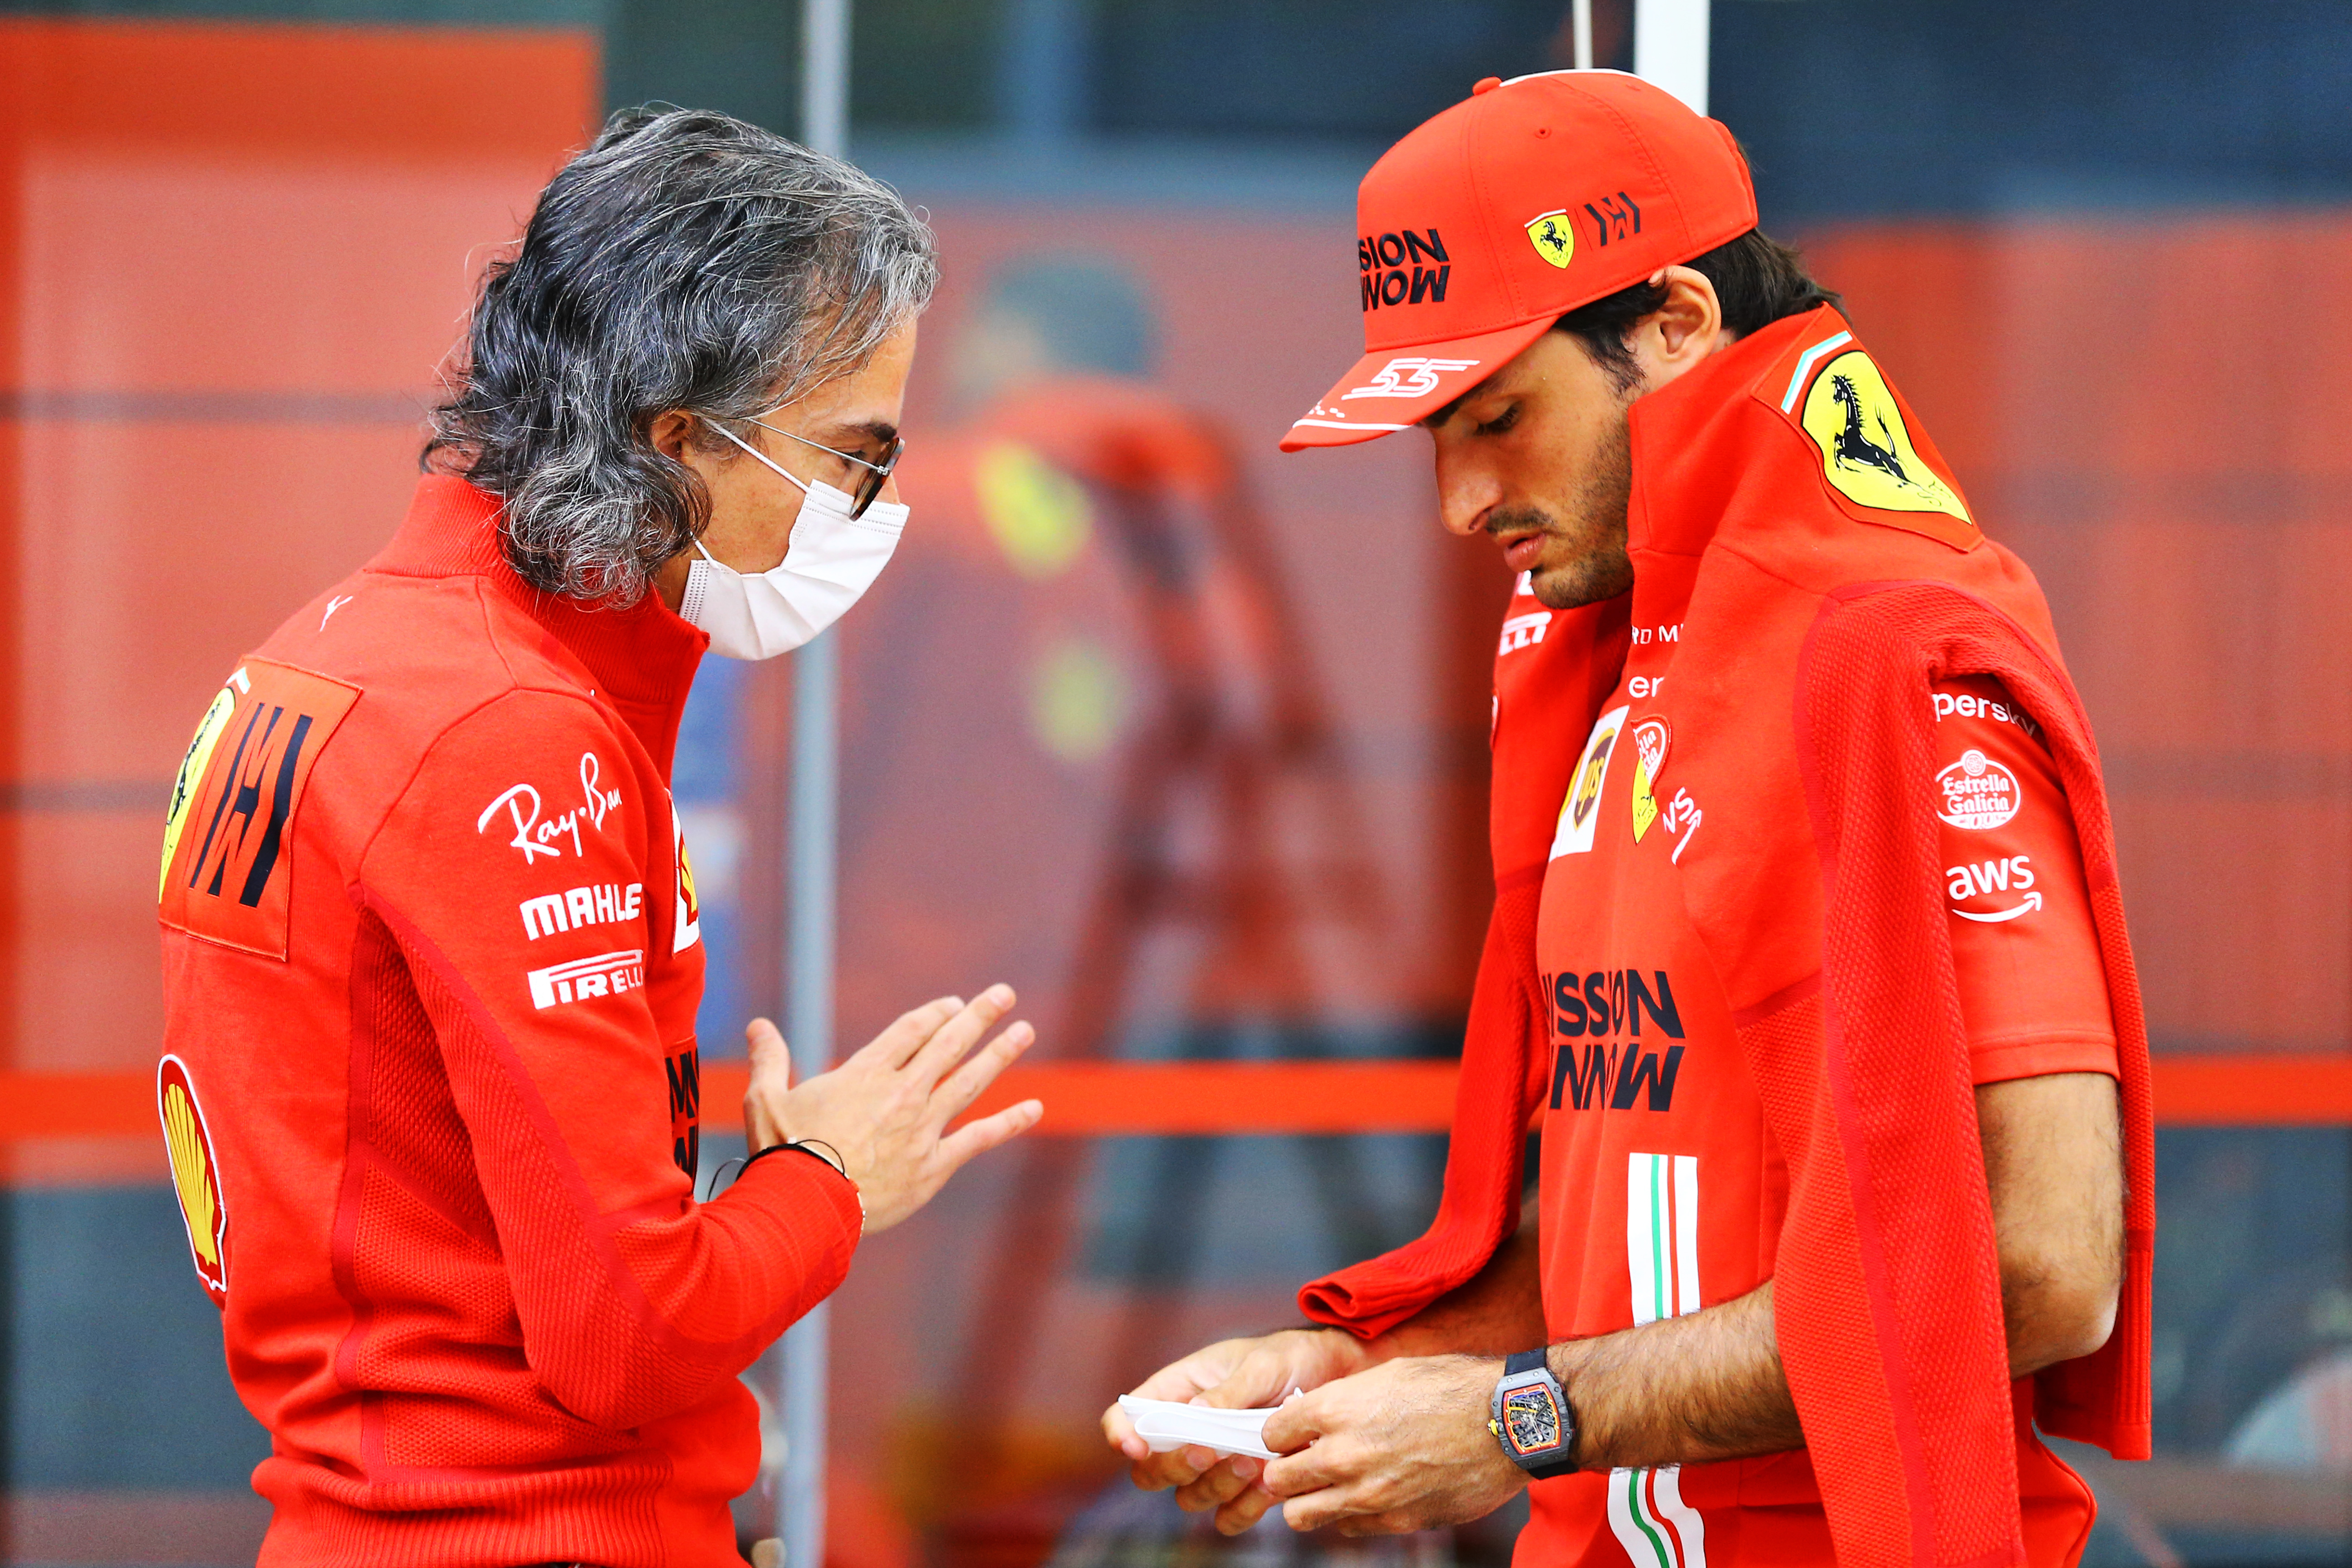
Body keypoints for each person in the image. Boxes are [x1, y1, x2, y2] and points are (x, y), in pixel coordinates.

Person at [1103, 71, 2154, 1568]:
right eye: (1433, 439)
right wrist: (1369, 1371)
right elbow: (1653, 1227)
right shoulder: (1610, 654)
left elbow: (2042, 1268)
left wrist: (1519, 1419)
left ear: (1675, 325)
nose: (1461, 503)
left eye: (1501, 417)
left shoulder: (1892, 653)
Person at [152, 108, 1043, 1566]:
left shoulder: (324, 658)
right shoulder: (507, 730)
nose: (871, 509)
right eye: (854, 457)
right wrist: (826, 1182)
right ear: (679, 438)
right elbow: (627, 1335)